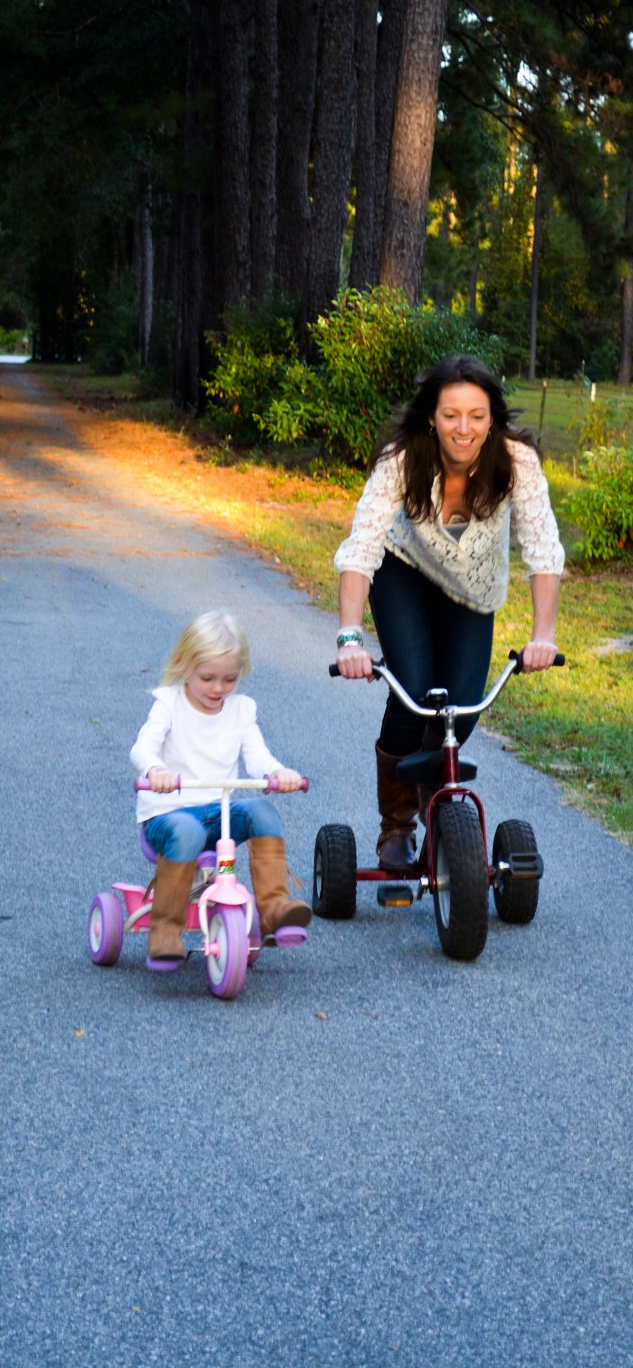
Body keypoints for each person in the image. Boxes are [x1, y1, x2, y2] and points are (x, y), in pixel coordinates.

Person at [333, 354, 564, 870]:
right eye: (451, 415)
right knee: (411, 691)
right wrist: (349, 636)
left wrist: (542, 635)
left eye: (477, 416)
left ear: (492, 418)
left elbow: (543, 549)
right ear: (432, 418)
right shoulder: (402, 459)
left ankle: (435, 795)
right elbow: (361, 548)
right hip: (403, 571)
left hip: (472, 589)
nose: (464, 428)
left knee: (463, 707)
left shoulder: (517, 462)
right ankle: (397, 825)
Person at [130, 609, 311, 966]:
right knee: (187, 830)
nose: (218, 689)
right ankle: (165, 929)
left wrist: (278, 772)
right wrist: (156, 769)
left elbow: (257, 755)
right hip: (169, 816)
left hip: (218, 815)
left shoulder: (241, 710)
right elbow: (142, 747)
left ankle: (274, 909)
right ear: (185, 666)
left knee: (262, 811)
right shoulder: (169, 703)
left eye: (229, 679)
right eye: (207, 678)